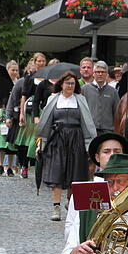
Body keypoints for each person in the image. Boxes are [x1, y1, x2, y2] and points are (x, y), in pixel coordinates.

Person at [37, 72, 97, 221]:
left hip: (76, 138)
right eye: (67, 83)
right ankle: (56, 207)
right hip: (58, 138)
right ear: (61, 84)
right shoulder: (53, 99)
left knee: (75, 171)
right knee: (56, 171)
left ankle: (71, 203)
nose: (70, 86)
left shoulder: (80, 100)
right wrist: (42, 143)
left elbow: (86, 122)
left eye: (72, 83)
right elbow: (46, 123)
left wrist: (89, 144)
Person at [16, 54, 48, 178]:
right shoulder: (30, 78)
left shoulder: (48, 78)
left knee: (39, 141)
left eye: (43, 61)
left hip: (43, 110)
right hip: (30, 111)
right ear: (35, 62)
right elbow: (24, 96)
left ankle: (40, 167)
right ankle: (24, 165)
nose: (41, 63)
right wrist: (21, 113)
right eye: (39, 61)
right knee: (26, 140)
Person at [0, 61, 21, 176]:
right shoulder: (2, 83)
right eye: (12, 70)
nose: (14, 72)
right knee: (1, 139)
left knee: (12, 141)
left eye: (16, 70)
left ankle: (10, 166)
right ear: (7, 70)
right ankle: (1, 164)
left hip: (15, 112)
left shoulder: (19, 83)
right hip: (4, 110)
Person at [82, 61, 119, 135]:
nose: (100, 74)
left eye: (103, 72)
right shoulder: (84, 89)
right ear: (93, 73)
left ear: (107, 74)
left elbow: (117, 113)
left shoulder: (113, 92)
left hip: (107, 131)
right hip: (89, 131)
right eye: (97, 72)